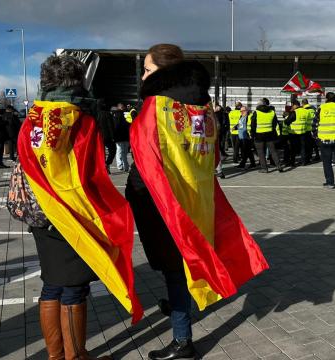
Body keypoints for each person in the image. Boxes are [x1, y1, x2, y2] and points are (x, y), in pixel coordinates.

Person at [127, 44, 268, 360]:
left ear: (164, 72)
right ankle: (178, 305)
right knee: (183, 259)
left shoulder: (154, 106)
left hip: (162, 200)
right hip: (198, 196)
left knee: (175, 266)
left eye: (148, 70)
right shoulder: (205, 108)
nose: (144, 75)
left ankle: (182, 340)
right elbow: (215, 155)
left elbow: (145, 156)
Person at [19, 54, 142, 360]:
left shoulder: (33, 115)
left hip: (40, 213)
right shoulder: (80, 118)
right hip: (72, 212)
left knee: (51, 284)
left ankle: (55, 355)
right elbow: (90, 173)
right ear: (78, 82)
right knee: (74, 288)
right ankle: (76, 356)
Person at [251, 97, 283, 173]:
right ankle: (279, 166)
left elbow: (253, 125)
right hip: (270, 134)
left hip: (259, 135)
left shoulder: (256, 112)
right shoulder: (272, 112)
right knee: (273, 151)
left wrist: (253, 134)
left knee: (261, 152)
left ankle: (264, 168)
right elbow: (275, 124)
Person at [95, 105, 116, 174]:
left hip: (99, 136)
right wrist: (113, 136)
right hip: (108, 136)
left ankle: (103, 166)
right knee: (112, 150)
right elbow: (110, 125)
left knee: (101, 152)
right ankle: (107, 164)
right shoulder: (107, 114)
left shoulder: (96, 114)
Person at [113, 102, 130, 172]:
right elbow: (119, 126)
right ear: (119, 107)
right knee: (123, 151)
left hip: (120, 137)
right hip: (123, 136)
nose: (123, 108)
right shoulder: (120, 115)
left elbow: (116, 126)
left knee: (120, 151)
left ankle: (122, 165)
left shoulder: (117, 115)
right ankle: (124, 165)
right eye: (122, 107)